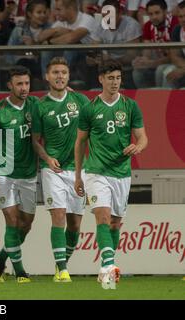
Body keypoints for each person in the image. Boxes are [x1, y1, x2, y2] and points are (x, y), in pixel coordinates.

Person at [74, 59, 148, 289]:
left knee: (115, 223)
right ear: (101, 80)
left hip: (122, 173)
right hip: (96, 172)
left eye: (117, 78)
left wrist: (138, 147)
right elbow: (80, 143)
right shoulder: (90, 108)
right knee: (103, 217)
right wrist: (78, 175)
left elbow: (143, 137)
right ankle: (108, 266)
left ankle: (107, 266)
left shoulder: (130, 106)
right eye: (110, 78)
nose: (115, 82)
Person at [32, 57, 89, 283]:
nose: (60, 76)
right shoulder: (40, 105)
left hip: (77, 171)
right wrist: (47, 157)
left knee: (75, 224)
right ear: (47, 76)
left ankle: (62, 263)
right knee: (58, 216)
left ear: (68, 76)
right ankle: (62, 270)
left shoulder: (81, 100)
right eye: (55, 72)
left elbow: (94, 130)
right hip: (52, 169)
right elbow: (35, 140)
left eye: (63, 72)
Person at [0, 66, 38, 284]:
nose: (24, 88)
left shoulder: (36, 106)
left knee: (25, 225)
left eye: (27, 83)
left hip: (28, 173)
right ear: (10, 85)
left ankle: (1, 257)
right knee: (12, 220)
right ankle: (20, 272)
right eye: (19, 84)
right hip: (4, 173)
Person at [38, 0, 98, 83]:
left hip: (88, 59)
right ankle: (47, 81)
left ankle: (63, 80)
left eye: (59, 9)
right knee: (46, 50)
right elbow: (40, 37)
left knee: (70, 47)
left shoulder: (87, 19)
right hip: (67, 57)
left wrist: (50, 42)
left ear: (70, 9)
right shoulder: (61, 22)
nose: (55, 13)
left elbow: (71, 39)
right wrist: (56, 30)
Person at [87, 0, 141, 89]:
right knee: (93, 69)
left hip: (126, 67)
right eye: (104, 16)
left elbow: (132, 55)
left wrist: (110, 60)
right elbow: (92, 50)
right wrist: (94, 58)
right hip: (107, 66)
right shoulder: (100, 26)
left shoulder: (131, 25)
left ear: (120, 13)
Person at [132, 0, 178, 88]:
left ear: (165, 11)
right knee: (138, 72)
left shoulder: (175, 23)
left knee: (161, 70)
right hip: (157, 62)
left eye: (157, 13)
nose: (154, 17)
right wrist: (142, 61)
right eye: (150, 14)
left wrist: (153, 63)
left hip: (176, 63)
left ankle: (162, 100)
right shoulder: (148, 26)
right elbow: (147, 52)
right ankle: (145, 99)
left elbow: (174, 56)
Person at [6, 0, 51, 83]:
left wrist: (34, 45)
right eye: (39, 12)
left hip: (43, 68)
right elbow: (8, 54)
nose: (43, 15)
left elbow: (51, 54)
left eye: (44, 12)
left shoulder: (50, 28)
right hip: (22, 67)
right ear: (30, 14)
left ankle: (46, 84)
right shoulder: (19, 30)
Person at [164, 1, 185, 88]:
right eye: (180, 16)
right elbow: (174, 56)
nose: (183, 19)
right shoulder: (177, 30)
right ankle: (164, 100)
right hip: (183, 66)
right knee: (166, 71)